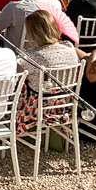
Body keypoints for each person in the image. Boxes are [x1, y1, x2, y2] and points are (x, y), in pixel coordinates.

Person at [13, 7, 81, 138]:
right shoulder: (69, 47)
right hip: (65, 104)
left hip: (36, 108)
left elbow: (15, 75)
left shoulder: (31, 57)